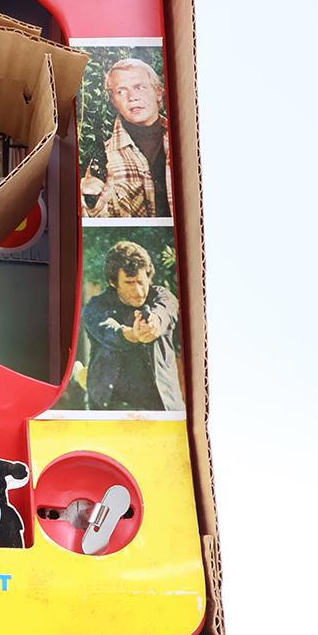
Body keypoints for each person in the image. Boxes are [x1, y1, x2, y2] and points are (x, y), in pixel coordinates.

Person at [82, 241, 183, 411]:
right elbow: (108, 331)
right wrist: (133, 334)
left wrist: (155, 323)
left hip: (163, 406)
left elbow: (164, 311)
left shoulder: (163, 297)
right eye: (129, 282)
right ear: (113, 282)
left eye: (141, 281)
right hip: (111, 408)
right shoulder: (96, 306)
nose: (138, 291)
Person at [80, 58, 172, 218]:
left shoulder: (185, 142)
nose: (132, 97)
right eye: (121, 91)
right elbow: (99, 215)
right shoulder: (106, 159)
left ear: (159, 92)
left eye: (140, 87)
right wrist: (92, 208)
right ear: (113, 101)